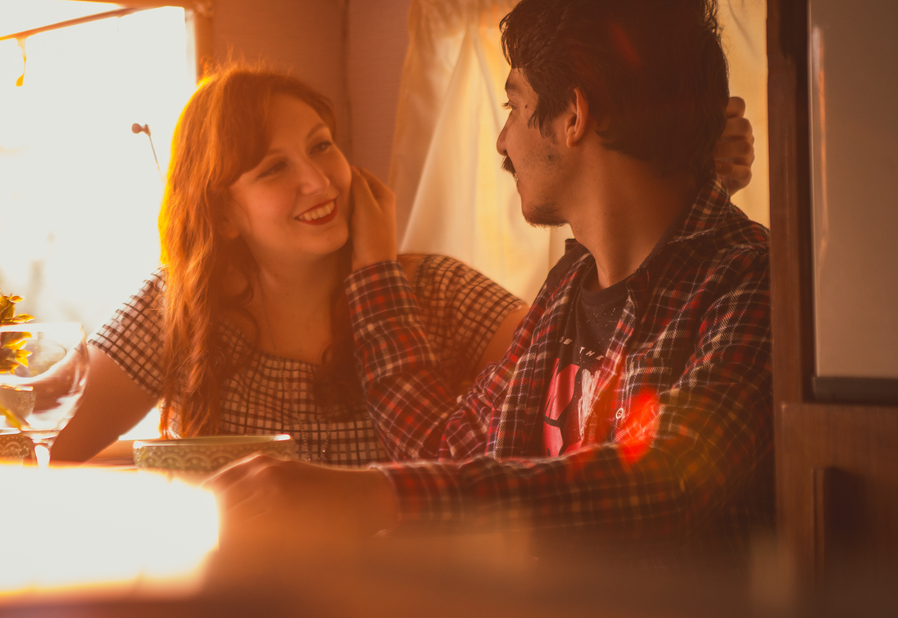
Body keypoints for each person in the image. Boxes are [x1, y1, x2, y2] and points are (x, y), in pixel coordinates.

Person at [207, 0, 773, 564]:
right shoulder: (568, 291)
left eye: (515, 105)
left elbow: (664, 483)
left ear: (574, 116)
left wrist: (377, 495)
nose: (503, 141)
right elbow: (446, 448)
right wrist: (374, 275)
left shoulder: (748, 283)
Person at [53, 60, 756, 469]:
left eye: (322, 145)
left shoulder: (432, 289)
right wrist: (164, 470)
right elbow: (63, 461)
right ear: (224, 211)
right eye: (274, 169)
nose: (319, 181)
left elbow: (580, 397)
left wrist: (671, 179)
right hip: (235, 613)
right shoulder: (178, 304)